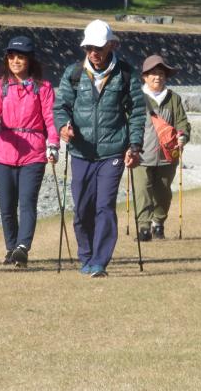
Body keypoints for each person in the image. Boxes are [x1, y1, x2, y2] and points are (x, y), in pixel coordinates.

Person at [53, 20, 146, 277]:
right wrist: (63, 126)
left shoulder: (125, 74)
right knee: (82, 208)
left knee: (105, 206)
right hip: (81, 152)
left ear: (111, 45)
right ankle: (86, 256)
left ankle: (99, 262)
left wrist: (134, 145)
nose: (94, 52)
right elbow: (61, 107)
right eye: (89, 47)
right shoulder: (73, 73)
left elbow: (137, 112)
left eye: (100, 47)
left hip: (113, 152)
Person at [0, 36, 59, 267]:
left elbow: (50, 119)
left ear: (29, 60)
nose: (16, 60)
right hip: (5, 151)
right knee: (6, 205)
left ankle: (22, 247)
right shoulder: (0, 86)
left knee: (27, 202)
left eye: (21, 56)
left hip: (33, 152)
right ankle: (11, 248)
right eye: (12, 56)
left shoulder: (43, 88)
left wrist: (52, 144)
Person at [132, 55, 191, 241]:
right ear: (144, 77)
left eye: (161, 74)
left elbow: (182, 122)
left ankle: (158, 223)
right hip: (140, 155)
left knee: (163, 192)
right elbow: (128, 122)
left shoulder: (174, 98)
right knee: (142, 190)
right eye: (153, 74)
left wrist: (183, 135)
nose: (157, 77)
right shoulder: (136, 98)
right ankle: (143, 227)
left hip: (168, 155)